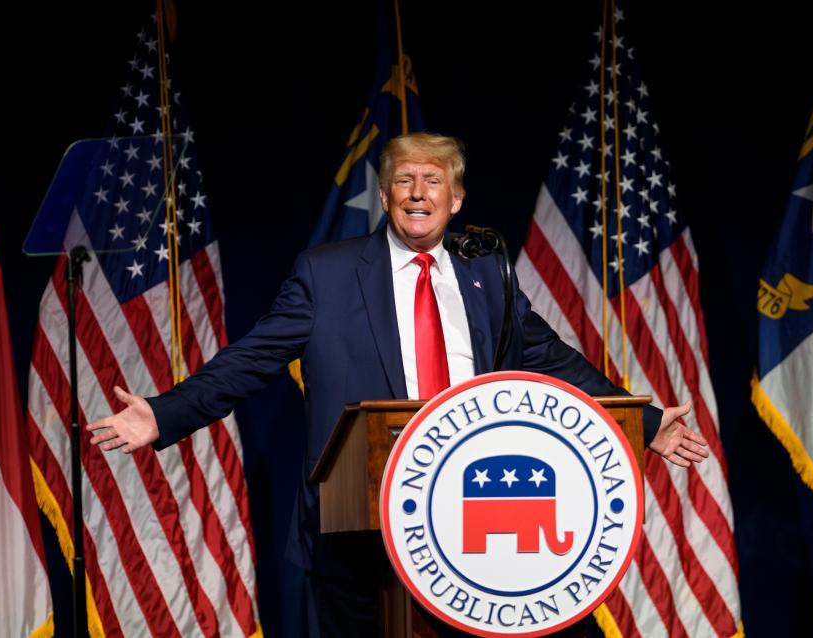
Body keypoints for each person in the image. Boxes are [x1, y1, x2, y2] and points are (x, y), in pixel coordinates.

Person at [88, 132, 709, 636]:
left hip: (469, 532)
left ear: (456, 198)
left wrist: (647, 423)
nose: (419, 193)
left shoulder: (486, 273)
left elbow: (549, 357)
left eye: (433, 180)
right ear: (384, 197)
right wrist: (165, 414)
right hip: (358, 536)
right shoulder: (326, 275)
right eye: (404, 181)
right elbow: (251, 359)